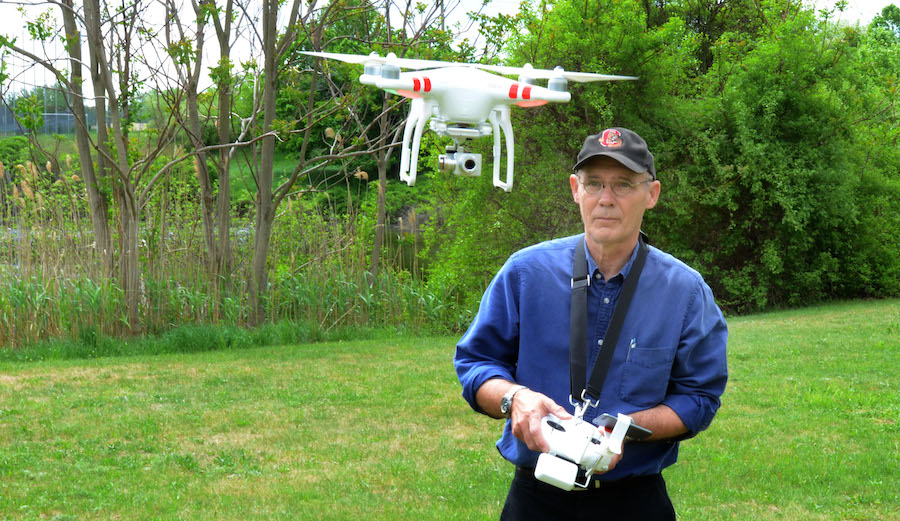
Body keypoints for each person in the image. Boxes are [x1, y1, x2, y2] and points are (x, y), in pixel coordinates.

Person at [454, 127, 728, 520]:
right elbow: (475, 364)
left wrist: (627, 428)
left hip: (634, 501)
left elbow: (700, 398)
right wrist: (515, 399)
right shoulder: (525, 273)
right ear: (574, 189)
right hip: (537, 497)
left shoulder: (686, 292)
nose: (606, 199)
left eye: (623, 185)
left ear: (651, 194)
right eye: (594, 183)